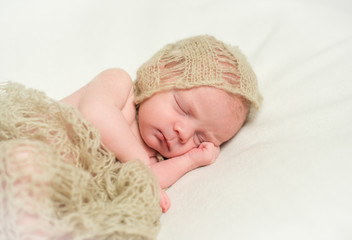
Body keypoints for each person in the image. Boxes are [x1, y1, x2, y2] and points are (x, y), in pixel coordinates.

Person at [61, 35, 262, 212]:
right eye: (183, 108)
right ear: (160, 73)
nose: (183, 133)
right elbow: (95, 114)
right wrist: (139, 160)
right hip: (38, 140)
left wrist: (190, 160)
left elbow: (145, 179)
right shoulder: (119, 83)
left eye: (199, 138)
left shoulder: (152, 156)